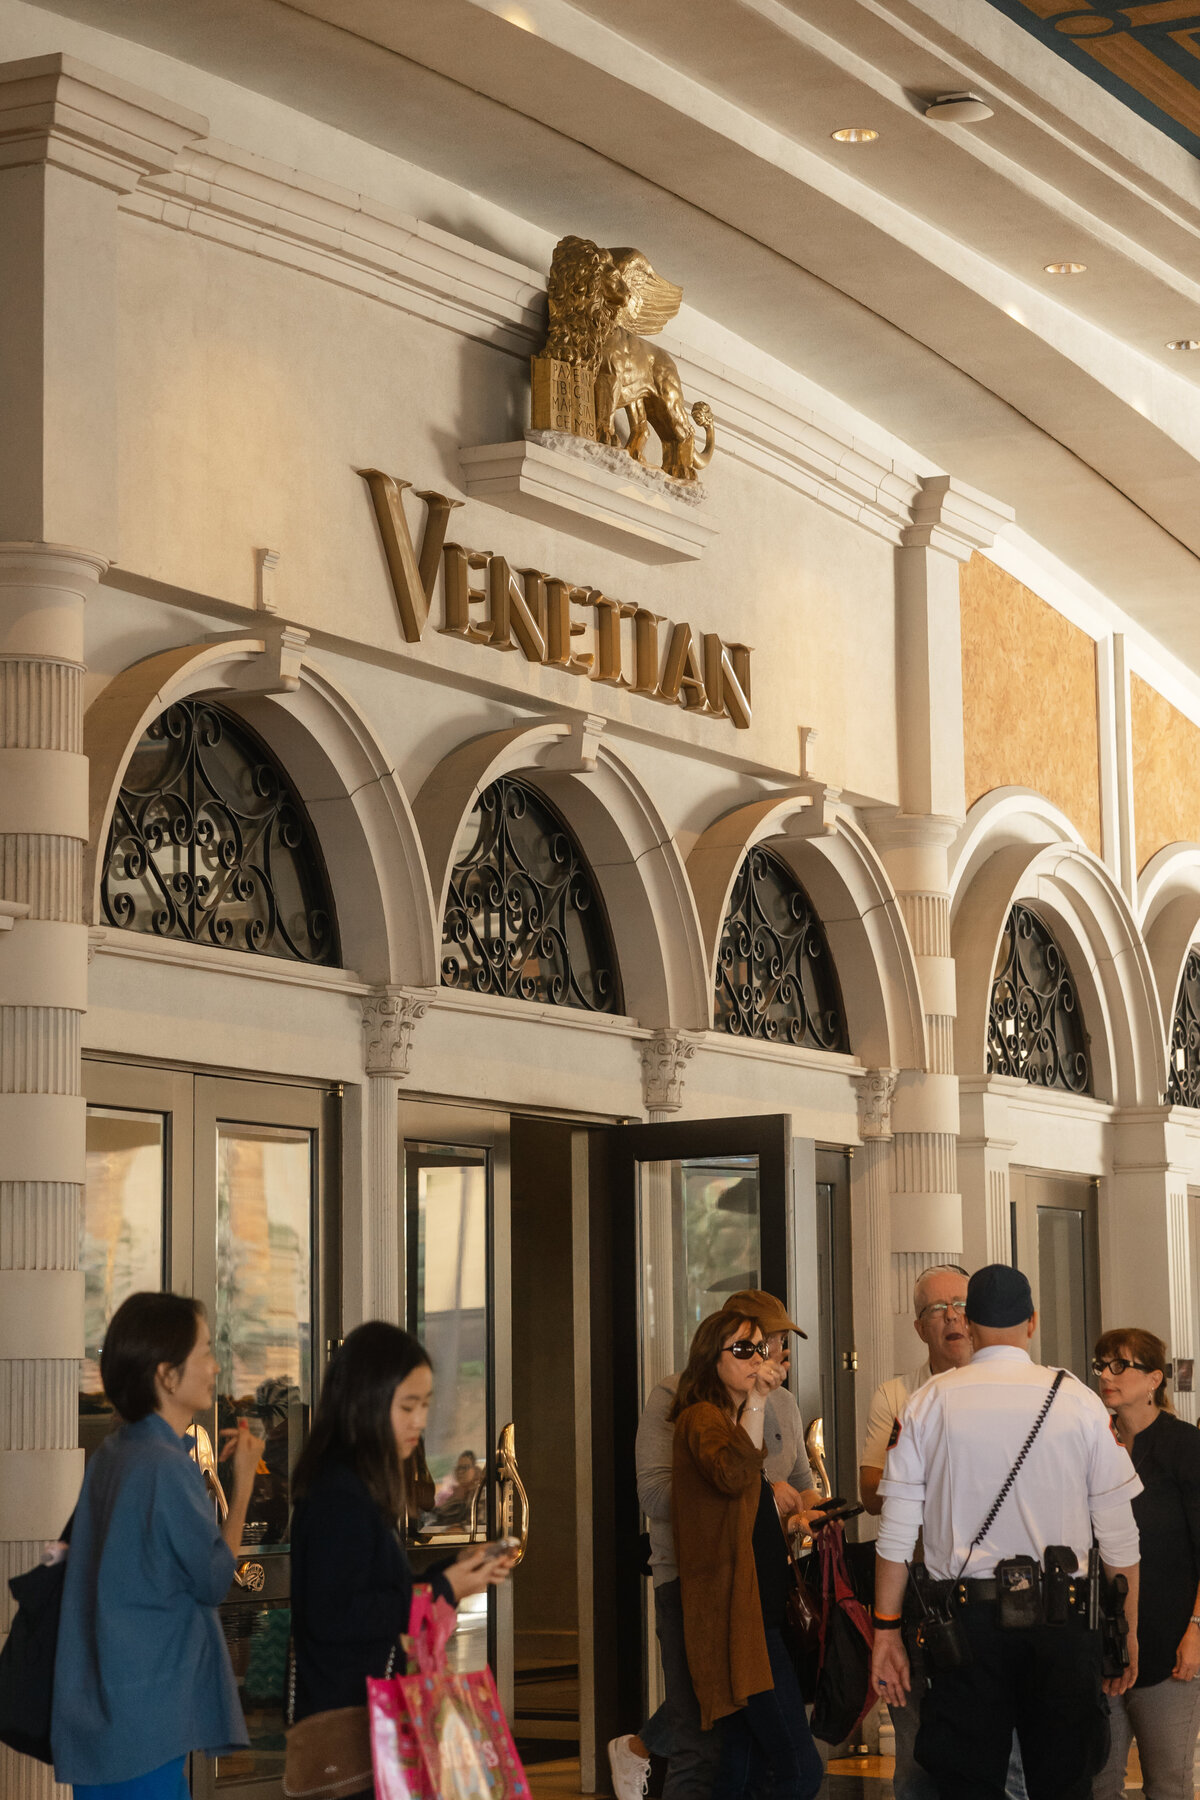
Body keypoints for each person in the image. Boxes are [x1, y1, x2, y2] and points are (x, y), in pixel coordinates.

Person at [870, 1263, 1141, 1800]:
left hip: (965, 1625)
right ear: (1032, 1322)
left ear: (968, 1324)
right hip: (1063, 1621)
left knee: (966, 1782)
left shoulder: (928, 1403)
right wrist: (1125, 1629)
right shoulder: (1080, 1401)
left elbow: (896, 1534)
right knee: (1064, 1782)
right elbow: (1119, 1536)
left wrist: (885, 1630)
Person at [610, 1290, 821, 1800]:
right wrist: (762, 1494)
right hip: (697, 1582)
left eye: (774, 1344)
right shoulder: (683, 1402)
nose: (769, 1354)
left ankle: (639, 1746)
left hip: (765, 1584)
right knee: (705, 1746)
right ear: (719, 1345)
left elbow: (802, 1480)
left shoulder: (782, 1404)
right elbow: (660, 1494)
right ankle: (637, 1749)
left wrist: (808, 1511)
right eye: (752, 1345)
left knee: (741, 1752)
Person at [290, 1321, 513, 1800]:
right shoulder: (339, 1493)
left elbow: (371, 1593)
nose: (419, 1421)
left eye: (426, 1406)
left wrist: (452, 1574)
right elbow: (335, 1614)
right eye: (407, 1406)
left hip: (368, 1717)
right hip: (351, 1726)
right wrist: (443, 1588)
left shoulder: (356, 1486)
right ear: (365, 1402)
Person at [52, 1291, 262, 1798]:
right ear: (167, 1375)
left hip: (102, 1708)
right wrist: (244, 1484)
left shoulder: (115, 1451)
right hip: (147, 1719)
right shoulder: (165, 1464)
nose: (215, 1366)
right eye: (206, 1351)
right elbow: (212, 1580)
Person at [860, 1264, 1026, 1800]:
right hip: (914, 1590)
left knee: (1007, 1755)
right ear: (919, 1327)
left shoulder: (1019, 1388)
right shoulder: (900, 1396)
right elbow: (871, 1492)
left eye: (960, 1304)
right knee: (916, 1749)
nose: (952, 1316)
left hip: (997, 1591)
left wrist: (927, 1476)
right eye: (937, 1309)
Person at [671, 1309, 823, 1800]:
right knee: (799, 1769)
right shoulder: (701, 1417)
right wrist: (758, 1400)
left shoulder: (731, 1418)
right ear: (710, 1358)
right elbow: (733, 1476)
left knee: (744, 1770)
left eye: (761, 1348)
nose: (757, 1358)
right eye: (742, 1349)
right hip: (741, 1621)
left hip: (757, 1612)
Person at [1092, 1328, 1200, 1800]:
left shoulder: (1185, 1445)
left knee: (1168, 1785)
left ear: (1154, 1378)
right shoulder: (1094, 1442)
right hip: (1101, 1640)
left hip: (1170, 1638)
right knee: (1098, 1782)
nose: (1106, 1375)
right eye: (1100, 1365)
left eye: (1120, 1365)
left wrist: (1196, 1629)